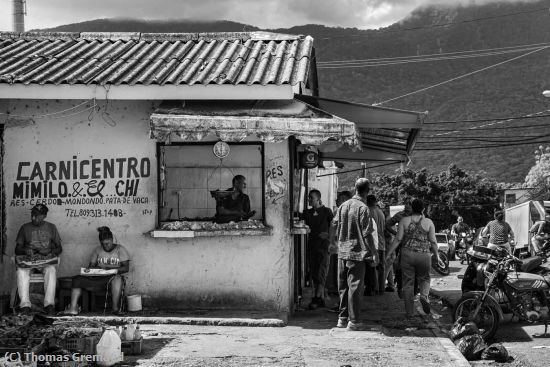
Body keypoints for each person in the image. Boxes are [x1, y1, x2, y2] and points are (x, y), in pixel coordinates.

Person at [332, 178, 377, 330]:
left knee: (343, 287)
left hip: (342, 251)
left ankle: (342, 319)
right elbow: (367, 233)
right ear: (367, 191)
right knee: (355, 287)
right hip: (356, 253)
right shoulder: (363, 208)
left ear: (355, 188)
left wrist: (335, 243)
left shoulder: (343, 206)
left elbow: (335, 225)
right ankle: (355, 321)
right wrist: (374, 252)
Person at [386, 199, 442, 318]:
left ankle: (409, 313)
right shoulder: (428, 222)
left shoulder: (404, 220)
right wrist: (437, 256)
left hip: (407, 255)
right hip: (424, 255)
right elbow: (433, 241)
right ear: (423, 209)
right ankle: (424, 295)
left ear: (412, 208)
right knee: (425, 278)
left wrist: (388, 253)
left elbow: (398, 239)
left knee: (408, 283)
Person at [63, 227, 130, 315]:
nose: (106, 246)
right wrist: (91, 270)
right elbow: (91, 266)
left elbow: (126, 268)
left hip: (112, 277)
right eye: (103, 244)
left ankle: (115, 309)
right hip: (98, 277)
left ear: (112, 240)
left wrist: (112, 270)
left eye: (108, 243)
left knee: (117, 280)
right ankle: (72, 308)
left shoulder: (120, 249)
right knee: (77, 279)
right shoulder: (97, 250)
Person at [14, 204, 62, 315]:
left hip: (45, 261)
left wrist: (50, 252)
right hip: (28, 261)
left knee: (51, 270)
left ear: (44, 216)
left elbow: (60, 248)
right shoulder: (24, 228)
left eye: (38, 216)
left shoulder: (51, 227)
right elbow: (17, 250)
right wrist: (25, 251)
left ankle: (49, 304)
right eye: (33, 215)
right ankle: (25, 305)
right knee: (21, 271)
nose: (34, 218)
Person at [302, 189, 334, 309]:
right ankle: (319, 297)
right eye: (308, 198)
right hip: (311, 245)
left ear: (319, 199)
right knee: (314, 271)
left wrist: (330, 238)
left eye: (311, 198)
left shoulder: (327, 211)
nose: (309, 200)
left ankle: (317, 297)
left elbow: (334, 225)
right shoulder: (307, 213)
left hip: (323, 245)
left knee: (322, 271)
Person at [327, 191, 353, 303]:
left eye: (338, 198)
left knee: (340, 279)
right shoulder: (354, 211)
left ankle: (341, 305)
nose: (335, 200)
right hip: (351, 250)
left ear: (343, 199)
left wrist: (331, 241)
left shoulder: (340, 211)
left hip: (340, 249)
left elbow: (333, 226)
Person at [385, 201, 412, 298]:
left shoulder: (418, 216)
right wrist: (395, 233)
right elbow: (387, 225)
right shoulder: (399, 215)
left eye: (409, 204)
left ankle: (412, 289)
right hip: (401, 244)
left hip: (414, 245)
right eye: (406, 204)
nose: (407, 206)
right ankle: (400, 287)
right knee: (398, 266)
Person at [365, 195, 386, 296]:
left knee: (371, 267)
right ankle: (381, 289)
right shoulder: (381, 212)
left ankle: (373, 288)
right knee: (381, 267)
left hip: (373, 242)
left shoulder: (369, 212)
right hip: (382, 243)